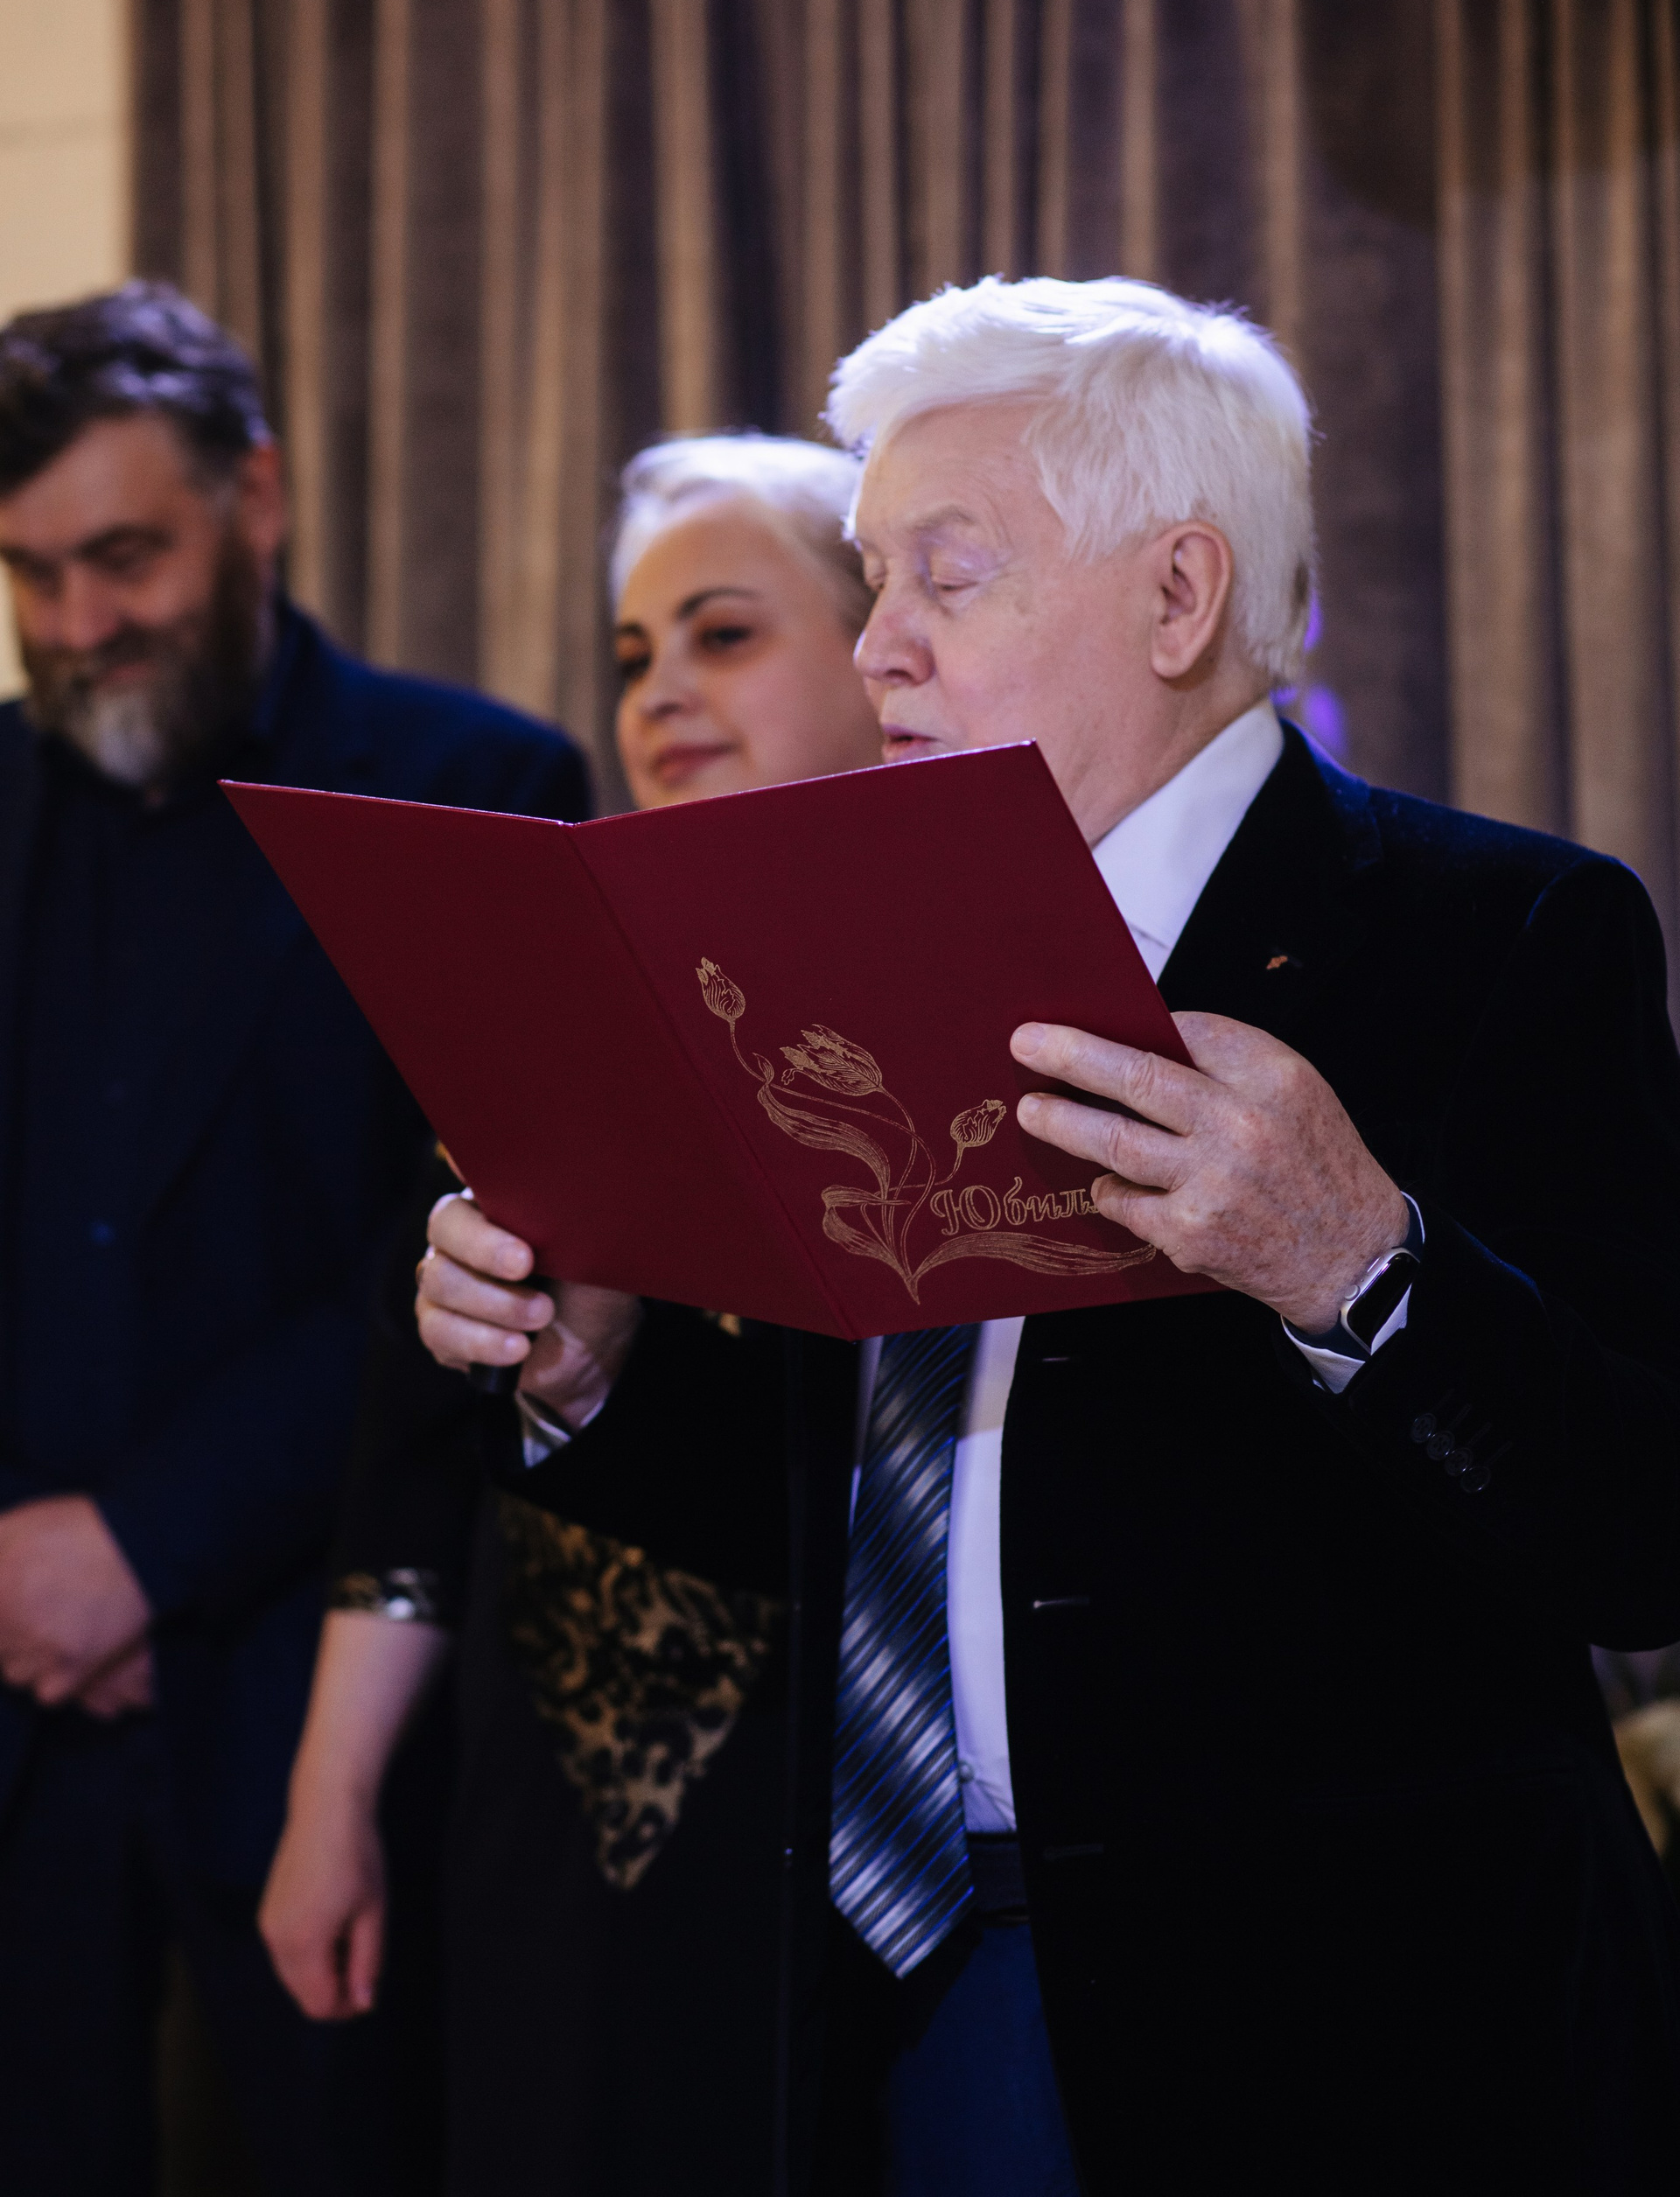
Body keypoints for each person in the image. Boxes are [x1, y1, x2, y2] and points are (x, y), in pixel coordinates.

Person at [417, 275, 1680, 2195]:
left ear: (1178, 598)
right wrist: (589, 1379)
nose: (881, 648)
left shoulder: (1501, 932)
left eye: (947, 575)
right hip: (896, 1999)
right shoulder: (843, 947)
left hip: (1358, 2030)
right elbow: (853, 1533)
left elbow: (1639, 1531)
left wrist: (1362, 1269)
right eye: (872, 582)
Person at [0, 282, 589, 2197]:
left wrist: (137, 1548)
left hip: (317, 1693)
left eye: (125, 558)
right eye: (29, 575)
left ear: (255, 497)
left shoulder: (477, 787)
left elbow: (455, 1254)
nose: (77, 625)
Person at [260, 433, 882, 2194]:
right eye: (632, 655)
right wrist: (330, 1801)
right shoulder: (539, 985)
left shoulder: (925, 1016)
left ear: (880, 653)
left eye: (723, 634)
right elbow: (411, 1455)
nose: (662, 690)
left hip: (825, 1813)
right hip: (536, 1795)